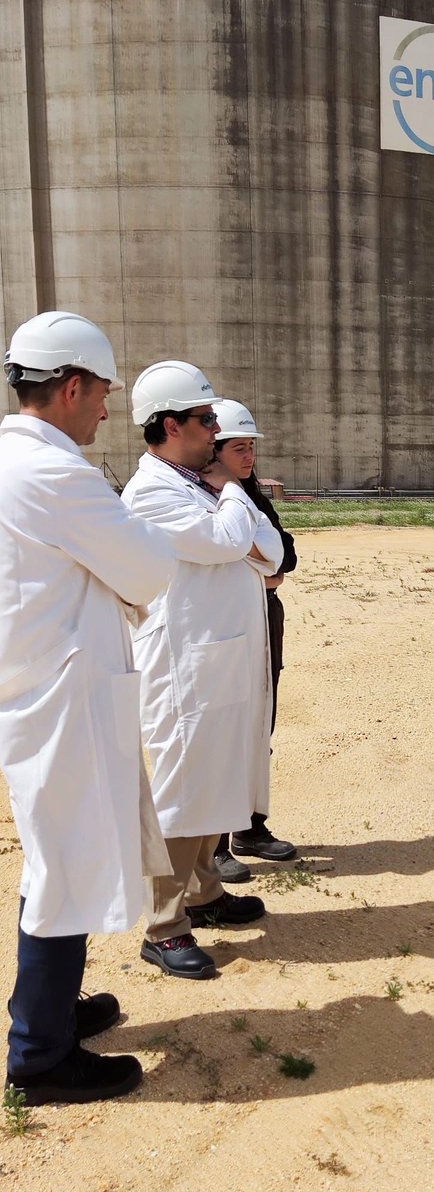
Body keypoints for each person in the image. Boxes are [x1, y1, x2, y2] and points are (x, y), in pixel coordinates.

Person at [0, 311, 175, 1105]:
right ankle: (40, 1056)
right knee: (64, 864)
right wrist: (122, 560)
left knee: (57, 854)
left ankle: (54, 1013)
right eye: (103, 391)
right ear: (71, 387)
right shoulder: (54, 473)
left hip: (40, 682)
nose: (107, 408)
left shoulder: (11, 460)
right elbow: (146, 566)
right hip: (62, 695)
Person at [122, 362, 284, 978]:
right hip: (186, 665)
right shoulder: (152, 492)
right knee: (185, 790)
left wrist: (233, 512)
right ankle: (164, 926)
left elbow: (268, 550)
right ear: (171, 424)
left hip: (221, 655)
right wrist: (235, 496)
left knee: (215, 777)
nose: (216, 430)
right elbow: (226, 544)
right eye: (205, 419)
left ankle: (205, 893)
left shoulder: (196, 485)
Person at [208, 400, 298, 883]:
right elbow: (222, 558)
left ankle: (250, 826)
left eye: (251, 447)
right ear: (213, 448)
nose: (248, 457)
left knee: (261, 725)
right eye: (239, 447)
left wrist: (262, 566)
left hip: (266, 619)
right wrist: (257, 567)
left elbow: (286, 557)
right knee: (226, 732)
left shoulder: (251, 495)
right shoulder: (201, 494)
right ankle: (216, 843)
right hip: (230, 622)